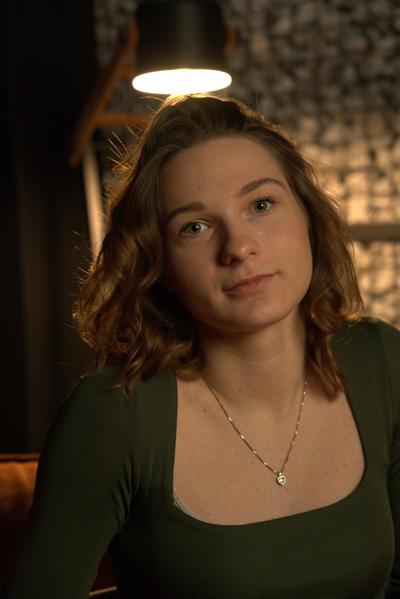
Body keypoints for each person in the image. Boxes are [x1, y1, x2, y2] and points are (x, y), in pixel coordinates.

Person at [2, 93, 399, 598]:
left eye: (261, 205)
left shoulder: (382, 362)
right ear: (159, 265)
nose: (238, 247)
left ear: (308, 217)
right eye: (194, 227)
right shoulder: (117, 415)